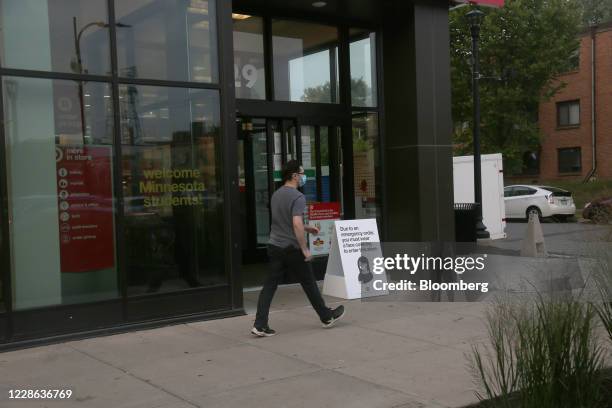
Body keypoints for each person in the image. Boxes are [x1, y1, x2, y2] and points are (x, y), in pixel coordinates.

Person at [251, 160, 345, 337]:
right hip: (292, 248)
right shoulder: (298, 197)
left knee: (269, 286)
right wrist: (305, 249)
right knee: (309, 283)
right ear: (294, 176)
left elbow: (283, 222)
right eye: (302, 173)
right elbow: (295, 223)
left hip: (274, 246)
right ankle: (326, 317)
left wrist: (307, 228)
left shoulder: (276, 195)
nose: (304, 177)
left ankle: (260, 324)